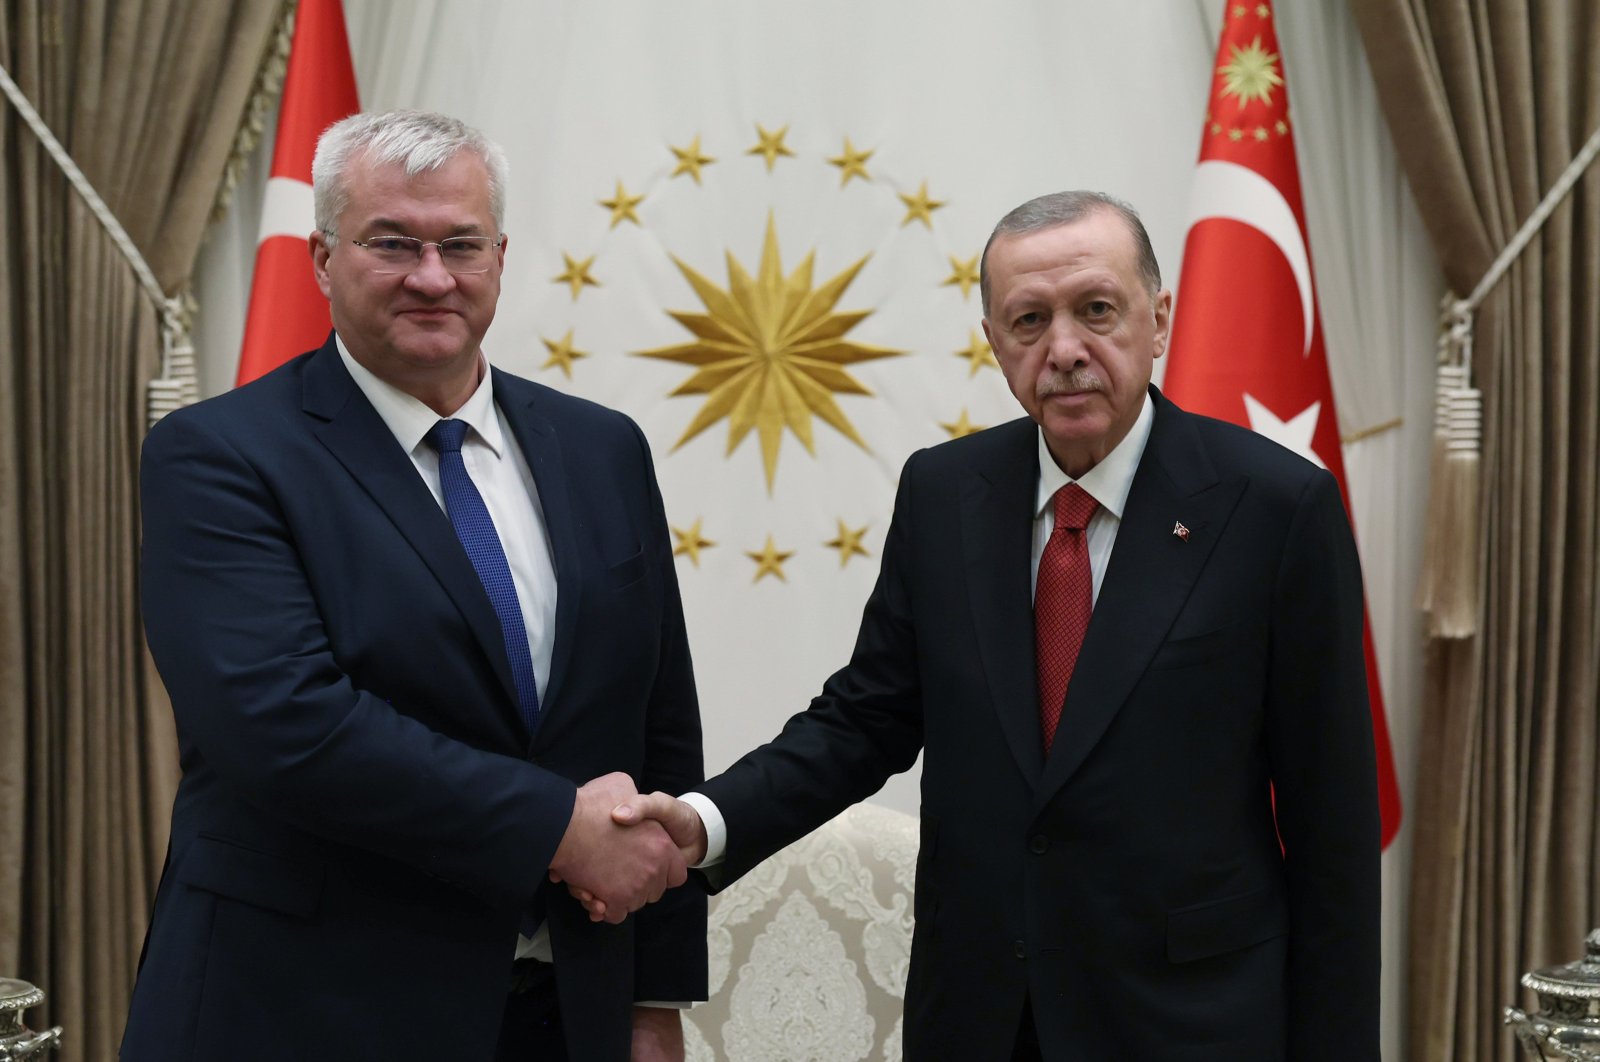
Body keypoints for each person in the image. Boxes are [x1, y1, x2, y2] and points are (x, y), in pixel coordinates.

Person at [597, 191, 1381, 1059]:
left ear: (1158, 320)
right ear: (993, 342)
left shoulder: (1275, 508)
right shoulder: (945, 495)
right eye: (1029, 321)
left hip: (1189, 1021)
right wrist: (703, 821)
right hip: (980, 1018)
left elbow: (1332, 834)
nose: (1065, 351)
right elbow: (864, 720)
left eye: (1096, 311)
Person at [121, 110, 706, 1062]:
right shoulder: (217, 457)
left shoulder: (602, 448)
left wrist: (654, 1000)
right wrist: (559, 827)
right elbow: (285, 725)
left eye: (460, 245)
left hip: (565, 1014)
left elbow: (658, 724)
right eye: (392, 242)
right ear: (320, 257)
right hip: (305, 1008)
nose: (432, 277)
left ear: (501, 257)